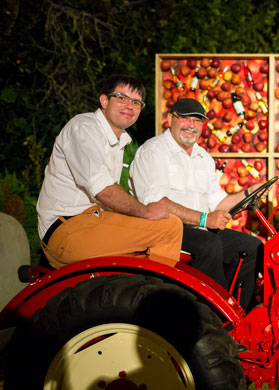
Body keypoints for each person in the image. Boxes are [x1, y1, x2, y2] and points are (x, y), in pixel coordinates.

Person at [131, 98, 265, 310]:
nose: (191, 125)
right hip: (163, 227)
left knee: (251, 246)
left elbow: (218, 202)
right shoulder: (154, 151)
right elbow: (155, 203)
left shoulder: (203, 157)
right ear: (170, 119)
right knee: (208, 244)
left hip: (198, 228)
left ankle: (238, 312)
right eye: (185, 118)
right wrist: (204, 219)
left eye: (197, 120)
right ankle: (215, 313)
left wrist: (249, 191)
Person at [37, 74, 183, 268]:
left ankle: (144, 285)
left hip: (93, 222)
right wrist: (145, 211)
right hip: (68, 228)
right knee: (169, 228)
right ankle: (156, 287)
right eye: (122, 98)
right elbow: (103, 190)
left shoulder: (119, 140)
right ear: (104, 101)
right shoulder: (84, 127)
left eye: (136, 102)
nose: (129, 106)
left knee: (147, 256)